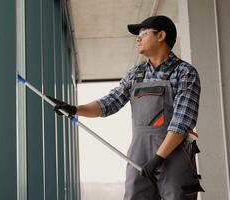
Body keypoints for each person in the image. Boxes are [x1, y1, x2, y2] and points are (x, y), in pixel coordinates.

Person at [48, 15, 204, 200]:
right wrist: (75, 109)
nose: (138, 38)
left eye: (143, 33)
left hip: (174, 154)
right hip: (139, 154)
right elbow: (109, 103)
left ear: (161, 36)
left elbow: (182, 122)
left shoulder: (185, 72)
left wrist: (158, 157)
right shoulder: (135, 74)